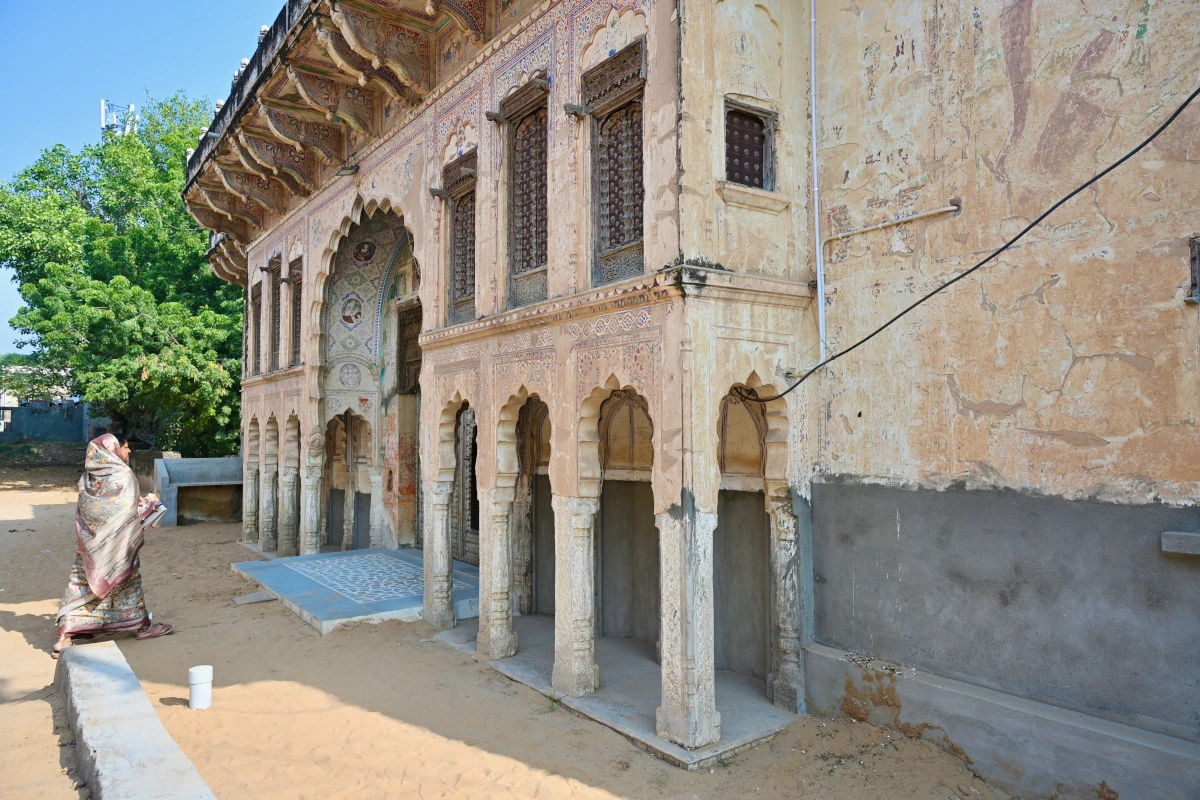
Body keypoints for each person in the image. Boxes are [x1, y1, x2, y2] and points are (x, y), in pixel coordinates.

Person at [53, 433, 175, 658]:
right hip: (118, 545)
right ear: (113, 448)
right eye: (126, 448)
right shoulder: (123, 474)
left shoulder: (89, 477)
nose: (128, 452)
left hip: (91, 545)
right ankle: (142, 627)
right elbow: (126, 512)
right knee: (128, 581)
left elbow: (92, 509)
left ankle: (66, 635)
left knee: (81, 583)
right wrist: (149, 507)